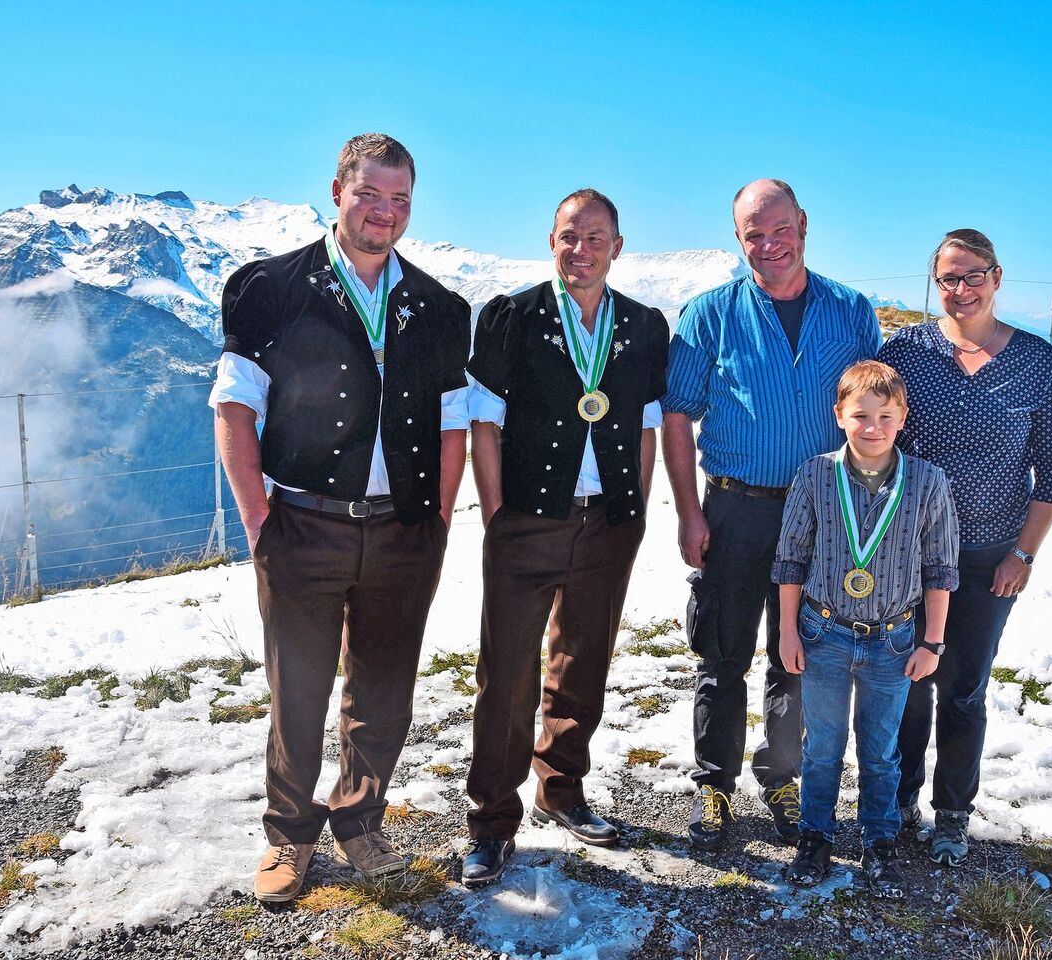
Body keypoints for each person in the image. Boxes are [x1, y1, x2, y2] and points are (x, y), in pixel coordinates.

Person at [209, 133, 471, 902]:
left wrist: (437, 518)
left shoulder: (441, 308)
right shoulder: (269, 287)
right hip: (302, 523)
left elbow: (453, 423)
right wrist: (258, 521)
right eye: (370, 195)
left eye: (399, 199)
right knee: (299, 691)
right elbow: (234, 409)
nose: (384, 212)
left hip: (403, 529)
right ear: (337, 192)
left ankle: (360, 824)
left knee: (384, 691)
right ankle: (289, 838)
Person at [661, 179, 882, 849]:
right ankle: (714, 786)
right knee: (721, 655)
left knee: (800, 657)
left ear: (803, 223)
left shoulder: (851, 311)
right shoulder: (710, 314)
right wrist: (690, 512)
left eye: (779, 228)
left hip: (822, 516)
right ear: (738, 239)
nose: (769, 244)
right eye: (753, 234)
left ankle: (782, 777)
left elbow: (872, 412)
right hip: (736, 510)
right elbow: (677, 415)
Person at [461, 188, 669, 887]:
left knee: (584, 662)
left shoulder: (643, 325)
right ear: (552, 242)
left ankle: (562, 788)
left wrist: (635, 509)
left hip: (608, 520)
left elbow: (645, 423)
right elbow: (484, 423)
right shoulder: (512, 317)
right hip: (527, 519)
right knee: (507, 674)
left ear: (617, 246)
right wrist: (497, 515)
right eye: (569, 237)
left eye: (595, 238)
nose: (581, 251)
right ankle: (492, 821)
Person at [877, 228, 1052, 866]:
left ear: (997, 277)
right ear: (935, 283)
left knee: (964, 687)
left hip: (990, 558)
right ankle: (897, 800)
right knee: (906, 682)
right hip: (906, 554)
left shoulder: (1036, 360)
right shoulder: (906, 352)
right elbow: (874, 437)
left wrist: (1025, 554)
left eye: (973, 276)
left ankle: (953, 815)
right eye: (948, 278)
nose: (961, 289)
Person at [773, 360, 958, 894]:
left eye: (885, 416)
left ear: (903, 417)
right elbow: (790, 559)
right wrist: (788, 631)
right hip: (823, 633)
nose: (872, 427)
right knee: (822, 746)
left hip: (893, 641)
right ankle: (815, 837)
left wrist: (932, 641)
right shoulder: (815, 474)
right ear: (839, 415)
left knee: (880, 750)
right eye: (860, 415)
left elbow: (940, 568)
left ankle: (879, 841)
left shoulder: (927, 481)